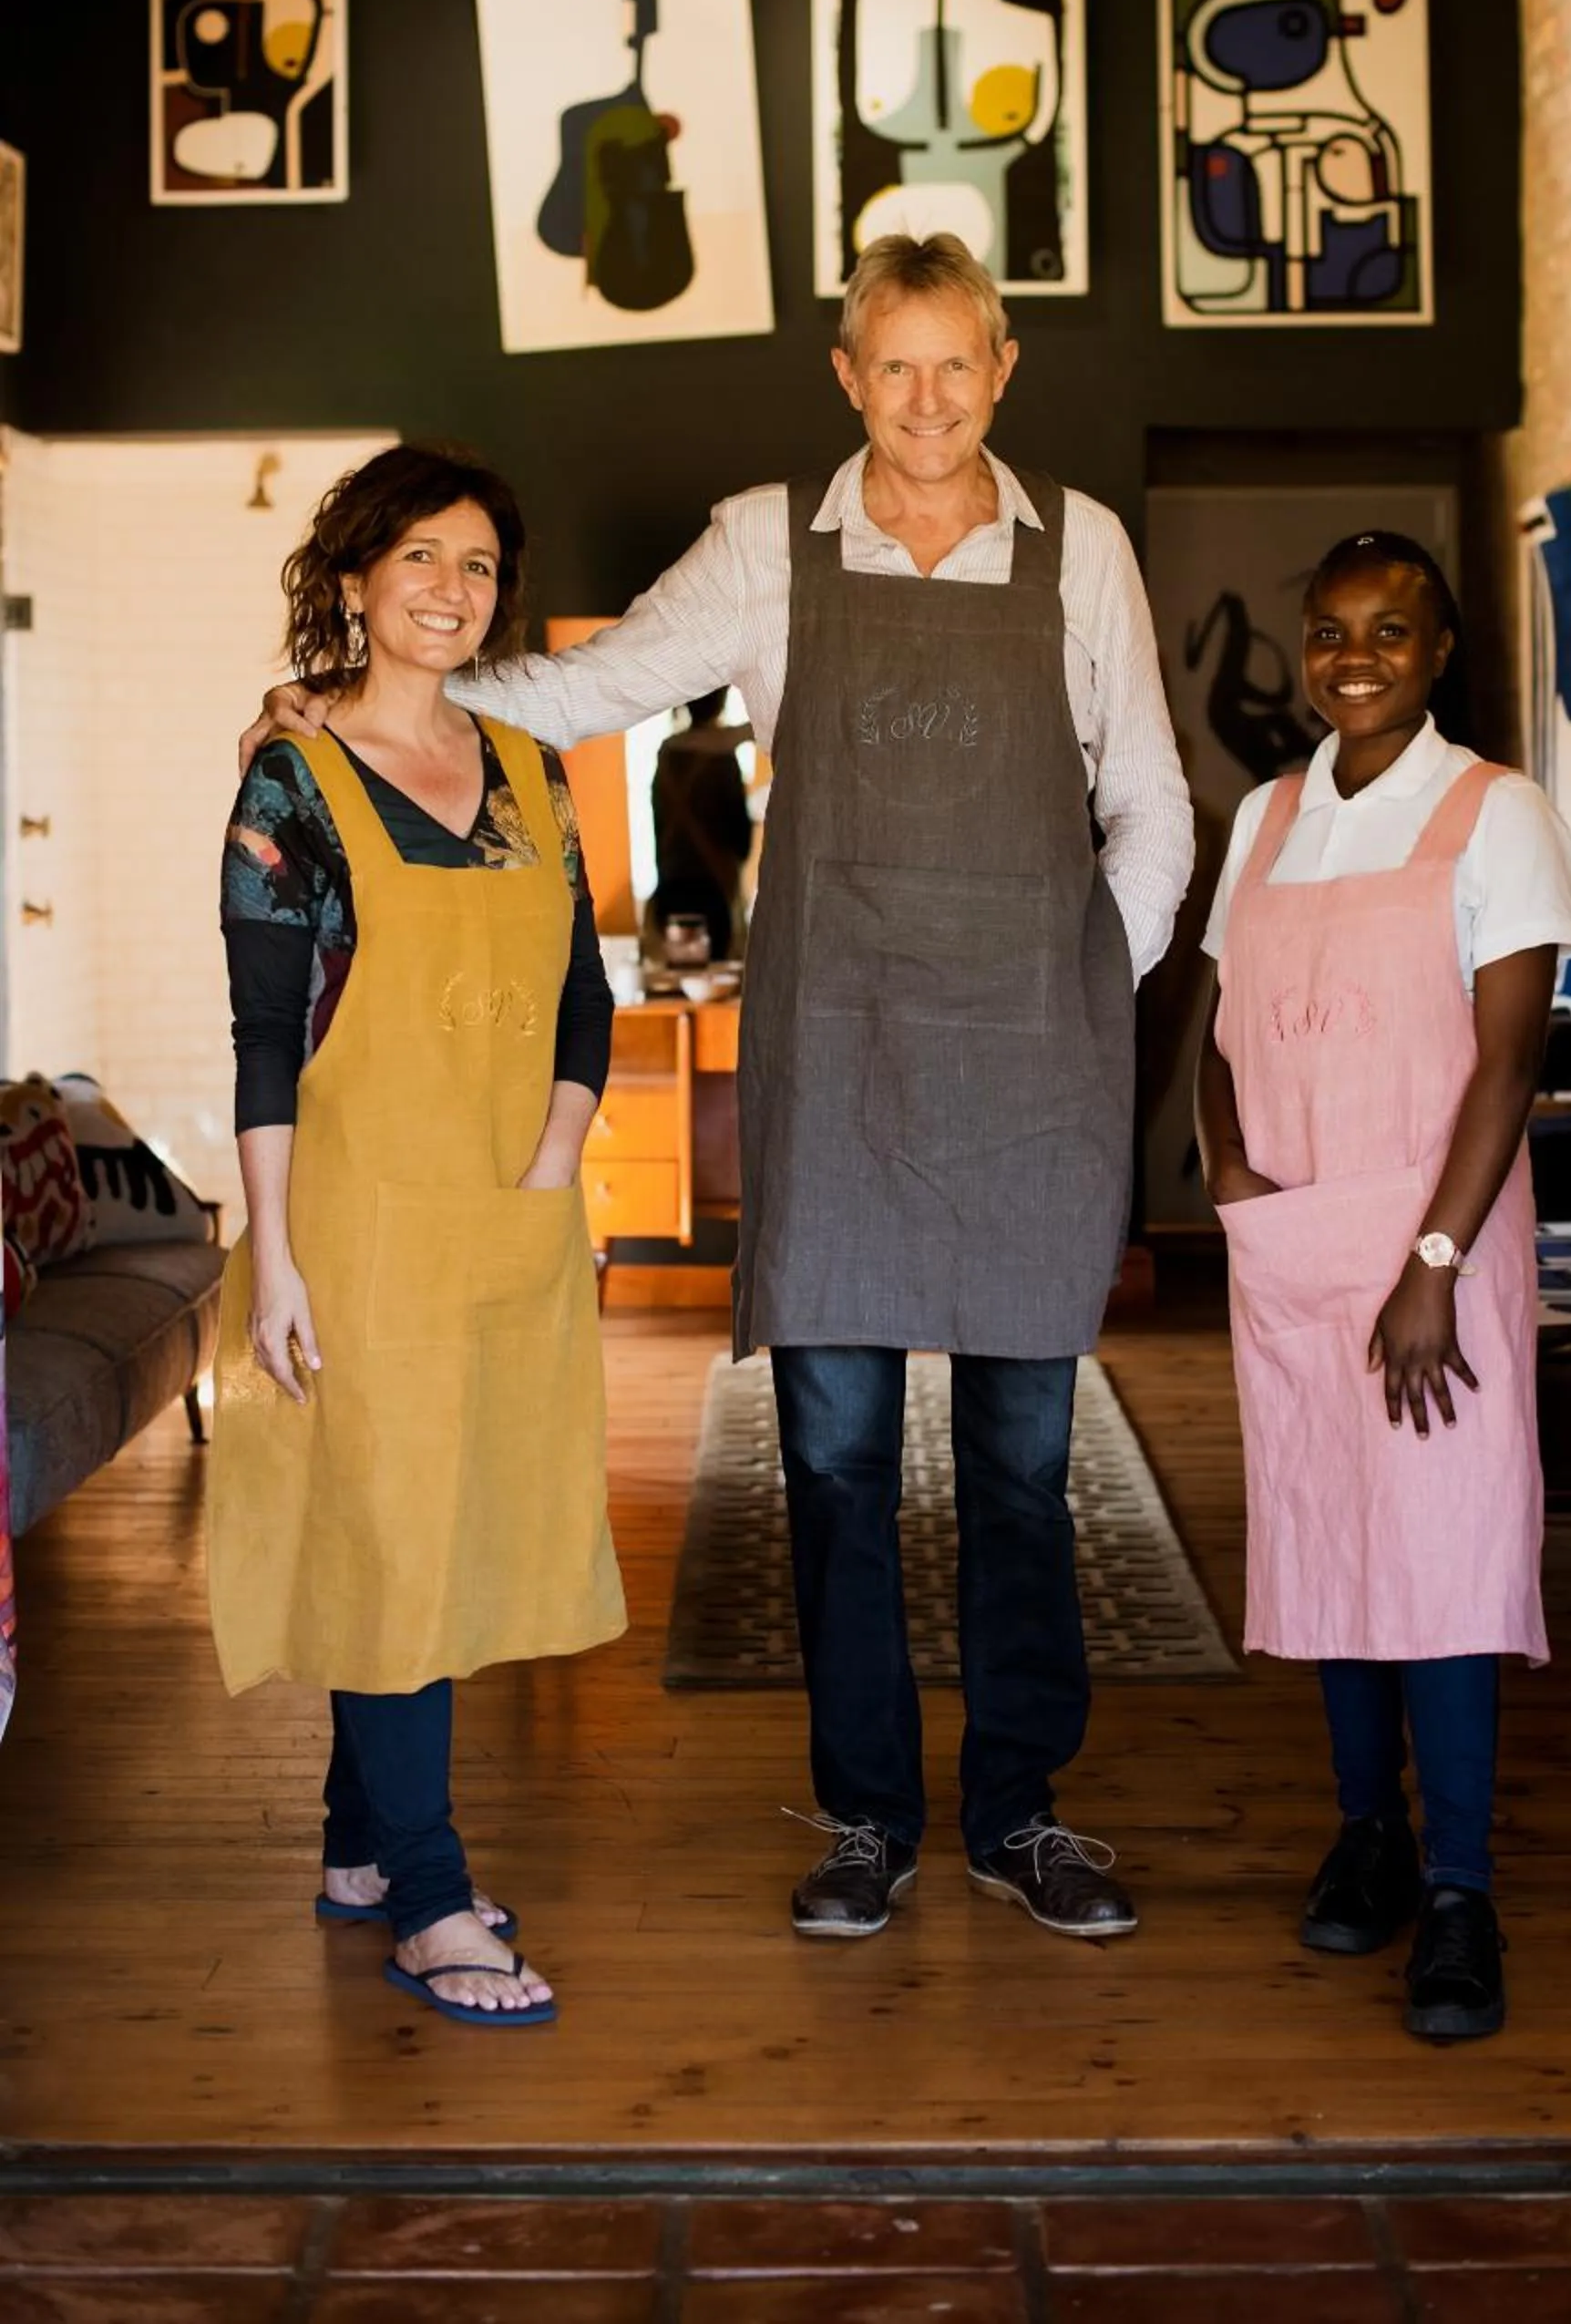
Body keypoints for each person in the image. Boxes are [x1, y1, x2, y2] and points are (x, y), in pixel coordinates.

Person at [244, 234, 1194, 1944]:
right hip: (838, 1072)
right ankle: (865, 1820)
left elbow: (1150, 802)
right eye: (888, 367)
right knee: (829, 1471)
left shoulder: (1085, 551)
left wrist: (1076, 991)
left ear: (999, 370)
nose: (923, 400)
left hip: (1028, 1083)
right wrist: (383, 704)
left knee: (1020, 1472)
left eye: (952, 365)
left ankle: (1018, 1812)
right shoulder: (770, 543)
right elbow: (598, 692)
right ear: (846, 376)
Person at [214, 444, 627, 2028]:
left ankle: (357, 1852)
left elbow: (581, 991)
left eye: (478, 565)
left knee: (442, 1521)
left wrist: (557, 1149)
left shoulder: (525, 768)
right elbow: (262, 1034)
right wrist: (277, 1256)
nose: (452, 590)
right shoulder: (291, 779)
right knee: (390, 1532)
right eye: (420, 560)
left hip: (505, 1212)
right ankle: (435, 1899)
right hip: (357, 1219)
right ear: (357, 578)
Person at [1195, 530, 1571, 2041]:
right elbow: (1214, 1016)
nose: (1353, 655)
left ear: (1435, 653)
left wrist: (1431, 1260)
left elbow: (1506, 1061)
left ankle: (1460, 1892)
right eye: (1330, 629)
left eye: (1389, 631)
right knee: (1324, 1542)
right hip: (1293, 1241)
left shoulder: (1495, 814)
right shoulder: (1269, 816)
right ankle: (1365, 1833)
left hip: (1437, 1245)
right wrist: (1218, 1162)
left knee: (1438, 1564)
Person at [646, 688, 753, 961]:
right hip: (715, 889)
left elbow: (657, 821)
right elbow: (741, 838)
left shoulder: (667, 754)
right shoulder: (722, 758)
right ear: (720, 703)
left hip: (670, 887)